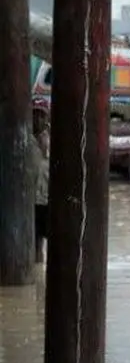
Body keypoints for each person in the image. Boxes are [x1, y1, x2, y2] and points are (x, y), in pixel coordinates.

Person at [32, 112, 50, 264]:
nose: (38, 119)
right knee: (34, 241)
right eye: (35, 115)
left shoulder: (53, 139)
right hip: (31, 199)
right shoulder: (25, 140)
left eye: (41, 116)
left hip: (47, 199)